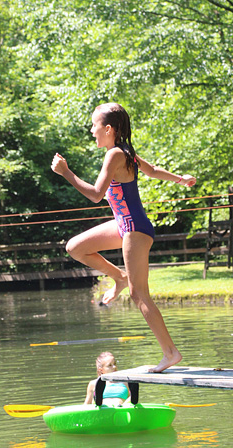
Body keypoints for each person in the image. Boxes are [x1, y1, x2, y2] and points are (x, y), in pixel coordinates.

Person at [51, 102, 196, 372]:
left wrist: (67, 173)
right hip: (123, 224)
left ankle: (170, 353)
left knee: (139, 295)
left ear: (108, 129)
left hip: (134, 229)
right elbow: (151, 171)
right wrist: (180, 179)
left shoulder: (115, 155)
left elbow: (95, 194)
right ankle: (118, 276)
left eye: (94, 126)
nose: (92, 131)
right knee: (75, 247)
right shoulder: (126, 152)